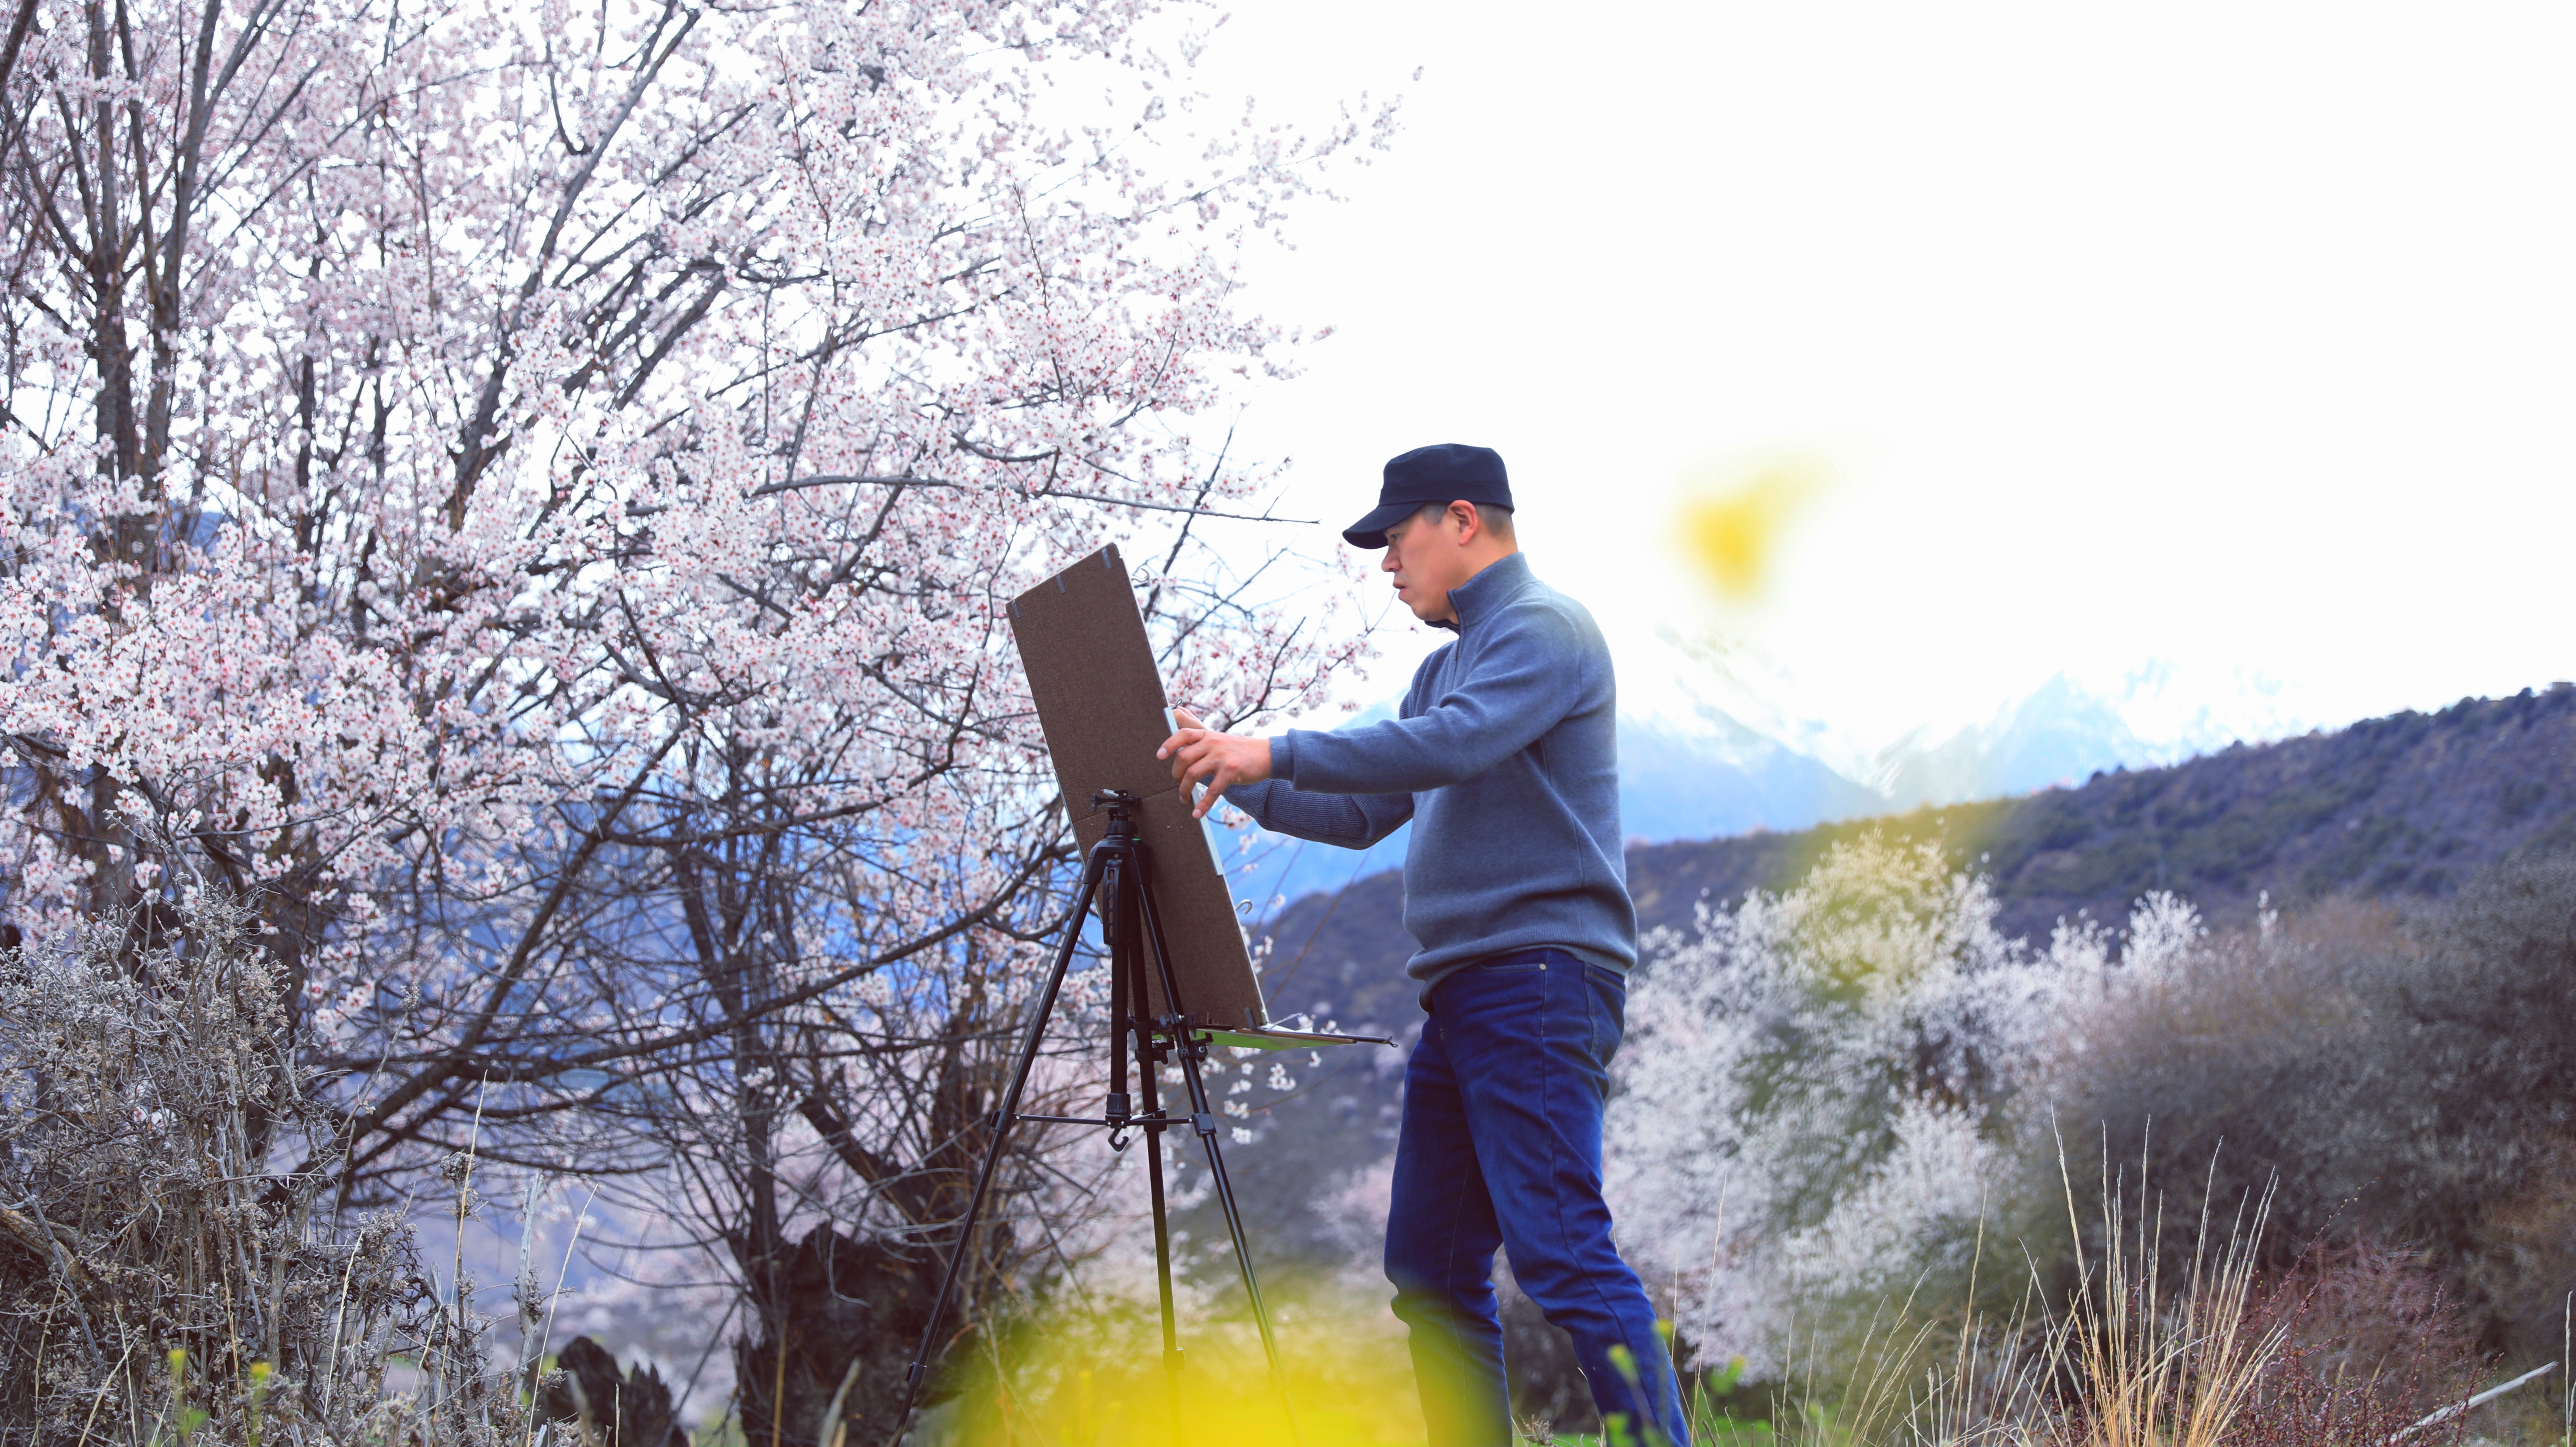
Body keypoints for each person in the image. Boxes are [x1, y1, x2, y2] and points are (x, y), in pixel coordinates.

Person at [1158, 443, 1691, 1446]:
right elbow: (1363, 813)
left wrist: (1269, 749)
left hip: (1537, 976)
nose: (1387, 564)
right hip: (1468, 993)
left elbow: (1455, 741)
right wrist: (1234, 775)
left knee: (1564, 1255)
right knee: (1431, 1271)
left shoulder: (1545, 628)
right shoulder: (1445, 668)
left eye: (1396, 538)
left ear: (1462, 520)